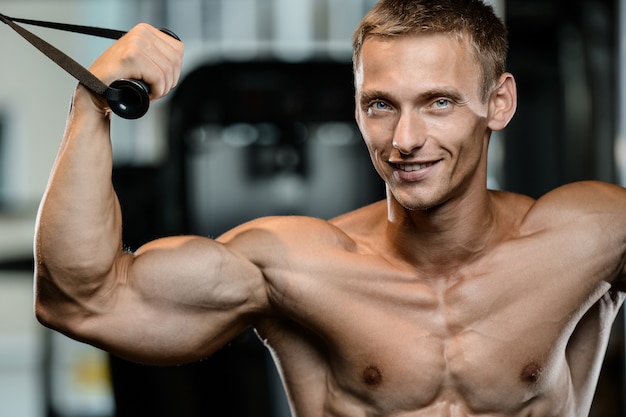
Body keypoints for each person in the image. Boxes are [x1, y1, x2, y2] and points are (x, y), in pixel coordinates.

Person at [34, 0, 626, 415]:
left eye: (438, 102)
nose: (405, 139)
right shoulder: (296, 265)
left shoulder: (587, 236)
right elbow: (81, 300)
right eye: (379, 105)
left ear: (498, 103)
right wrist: (94, 101)